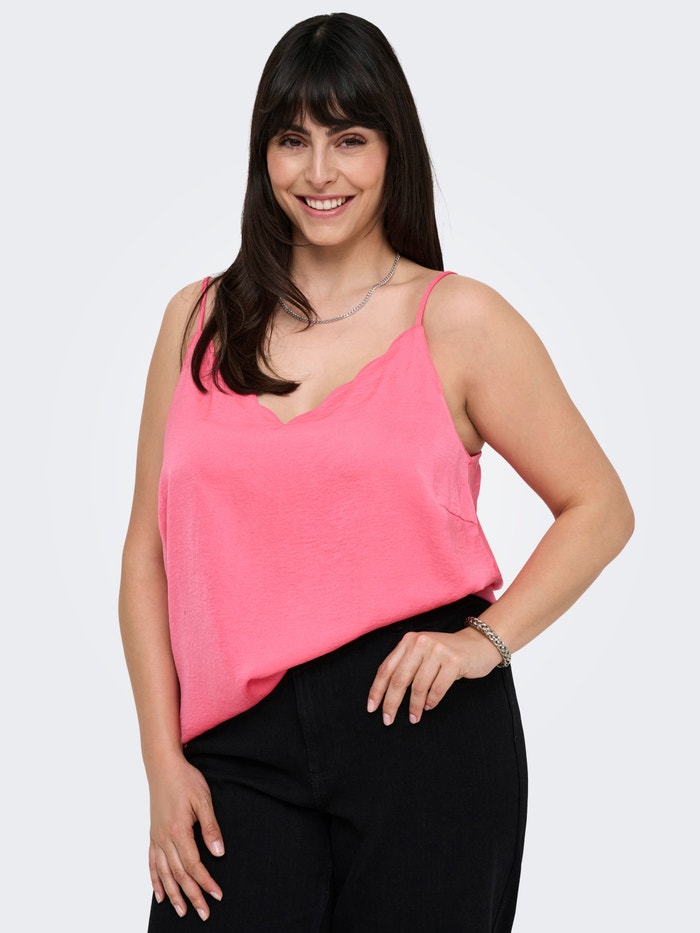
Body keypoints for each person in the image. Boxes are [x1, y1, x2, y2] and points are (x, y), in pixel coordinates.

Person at [119, 11, 634, 932]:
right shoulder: (195, 321)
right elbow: (145, 559)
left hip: (423, 735)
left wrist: (483, 641)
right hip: (235, 754)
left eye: (349, 139)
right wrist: (164, 763)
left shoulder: (458, 320)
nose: (320, 172)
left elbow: (599, 505)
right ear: (263, 155)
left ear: (394, 148)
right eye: (293, 140)